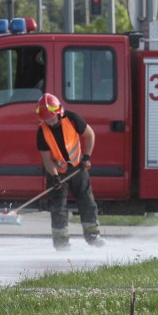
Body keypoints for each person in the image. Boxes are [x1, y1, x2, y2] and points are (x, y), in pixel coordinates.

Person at [35, 93, 105, 251]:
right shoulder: (42, 132)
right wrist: (54, 176)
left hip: (78, 167)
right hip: (58, 172)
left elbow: (90, 134)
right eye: (47, 119)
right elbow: (46, 158)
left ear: (58, 112)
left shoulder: (72, 119)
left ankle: (93, 237)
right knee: (58, 207)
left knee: (87, 201)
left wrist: (86, 157)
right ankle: (61, 244)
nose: (51, 122)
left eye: (52, 117)